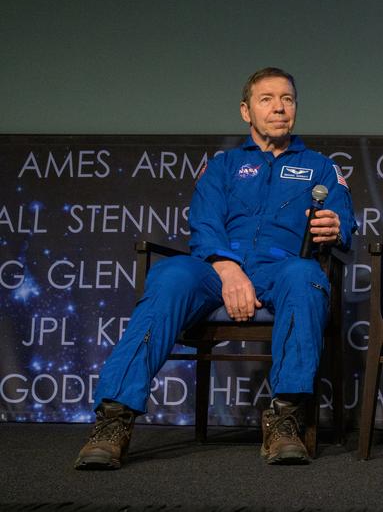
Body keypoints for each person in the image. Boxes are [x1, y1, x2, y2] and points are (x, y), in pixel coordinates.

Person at [74, 67, 354, 469]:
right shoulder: (222, 166)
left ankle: (285, 419)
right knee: (169, 276)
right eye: (267, 99)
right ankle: (113, 419)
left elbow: (344, 219)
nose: (279, 107)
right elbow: (204, 225)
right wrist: (229, 270)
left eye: (287, 99)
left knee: (306, 275)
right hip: (217, 267)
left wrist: (338, 224)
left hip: (283, 269)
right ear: (246, 111)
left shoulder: (321, 167)